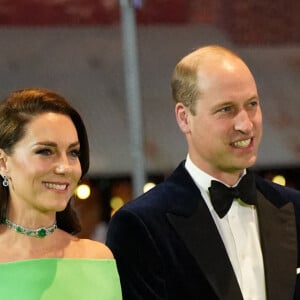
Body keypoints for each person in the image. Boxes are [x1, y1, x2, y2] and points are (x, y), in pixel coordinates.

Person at [106, 45, 300, 300]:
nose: (245, 124)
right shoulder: (140, 225)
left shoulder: (295, 208)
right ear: (184, 117)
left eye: (252, 104)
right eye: (226, 109)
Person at [0, 88, 122, 299]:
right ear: (3, 163)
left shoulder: (98, 258)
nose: (65, 167)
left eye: (73, 153)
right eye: (45, 151)